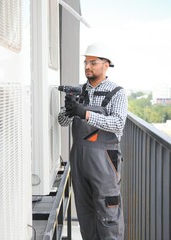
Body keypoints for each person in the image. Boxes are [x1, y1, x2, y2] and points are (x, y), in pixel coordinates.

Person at [58, 42, 128, 240]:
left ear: (106, 65)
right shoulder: (79, 91)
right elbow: (62, 122)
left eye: (93, 62)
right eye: (86, 62)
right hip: (79, 157)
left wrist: (86, 113)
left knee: (108, 210)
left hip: (104, 159)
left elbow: (118, 124)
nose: (88, 67)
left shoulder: (117, 92)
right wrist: (69, 110)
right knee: (85, 211)